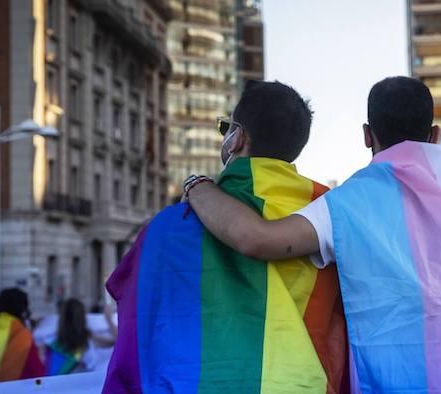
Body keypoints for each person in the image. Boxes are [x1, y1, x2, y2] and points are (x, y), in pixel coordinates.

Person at [184, 76, 441, 392]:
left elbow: (257, 238)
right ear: (434, 136)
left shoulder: (349, 204)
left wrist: (198, 185)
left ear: (366, 135)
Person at [104, 81, 348, 393]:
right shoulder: (328, 219)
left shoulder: (167, 229)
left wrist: (195, 185)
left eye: (226, 128)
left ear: (237, 138)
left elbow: (136, 331)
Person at [44, 298, 117, 375]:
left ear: (62, 318)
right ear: (83, 318)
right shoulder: (90, 341)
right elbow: (119, 342)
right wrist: (109, 319)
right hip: (87, 384)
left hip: (58, 384)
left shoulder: (50, 342)